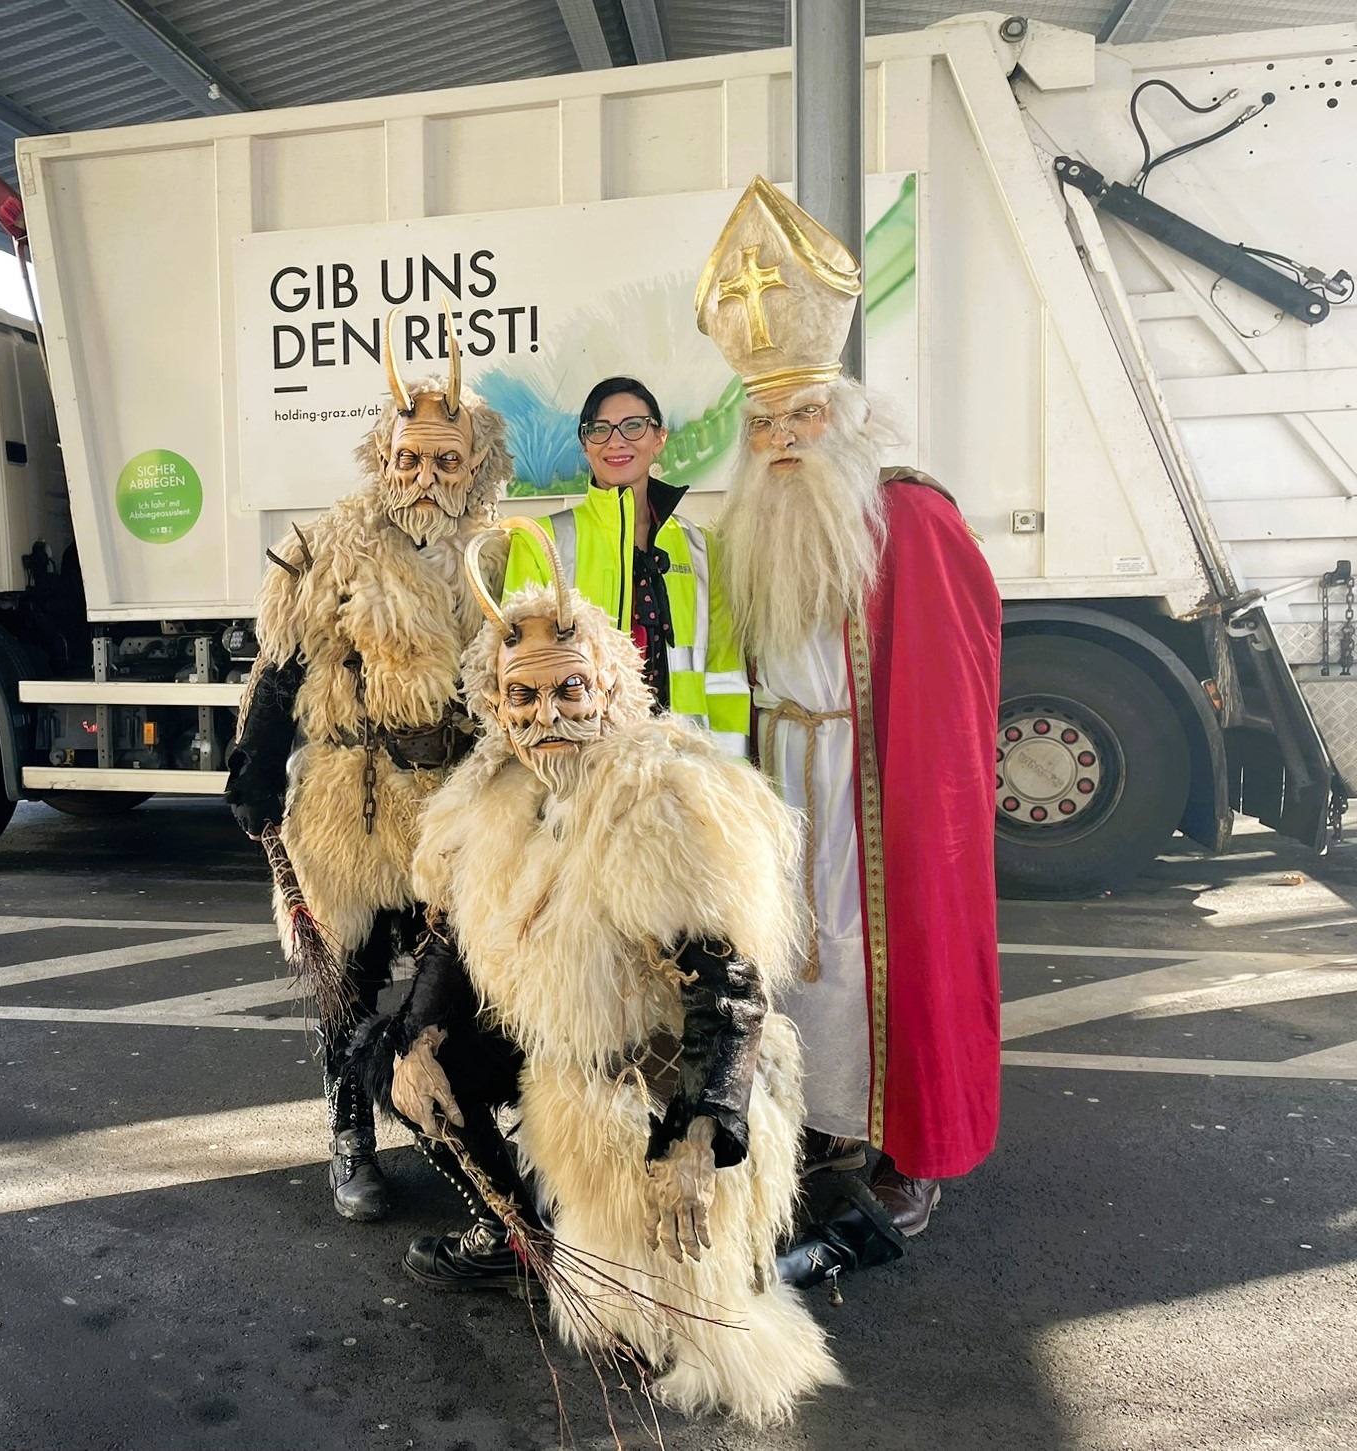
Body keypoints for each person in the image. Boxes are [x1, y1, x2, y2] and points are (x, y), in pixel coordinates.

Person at [385, 520, 835, 1423]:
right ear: (496, 705)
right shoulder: (487, 794)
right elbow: (453, 942)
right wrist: (421, 1037)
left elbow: (729, 991)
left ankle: (808, 1244)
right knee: (409, 1075)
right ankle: (518, 1236)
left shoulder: (659, 799)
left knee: (676, 1339)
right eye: (523, 697)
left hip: (658, 1078)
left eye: (569, 690)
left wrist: (702, 1133)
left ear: (609, 690)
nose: (546, 715)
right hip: (564, 1057)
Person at [696, 172, 1002, 1255]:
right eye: (764, 418)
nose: (782, 436)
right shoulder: (739, 529)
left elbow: (953, 697)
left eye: (803, 413)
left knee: (885, 960)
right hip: (779, 781)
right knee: (795, 969)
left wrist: (922, 809)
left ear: (845, 415)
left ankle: (909, 1149)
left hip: (877, 789)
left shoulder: (906, 515)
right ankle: (829, 1129)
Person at [224, 309, 513, 1223]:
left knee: (460, 982)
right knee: (346, 982)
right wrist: (256, 761)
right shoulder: (333, 545)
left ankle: (465, 1130)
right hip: (352, 802)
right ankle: (349, 1133)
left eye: (445, 461)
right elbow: (283, 658)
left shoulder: (499, 551)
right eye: (409, 459)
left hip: (455, 805)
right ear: (381, 459)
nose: (425, 477)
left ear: (476, 465)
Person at [503, 378, 747, 753]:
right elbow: (516, 675)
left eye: (634, 426)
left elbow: (725, 674)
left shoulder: (702, 547)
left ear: (659, 438)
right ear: (585, 446)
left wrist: (730, 774)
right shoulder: (540, 542)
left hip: (686, 765)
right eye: (599, 430)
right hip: (584, 768)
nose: (616, 441)